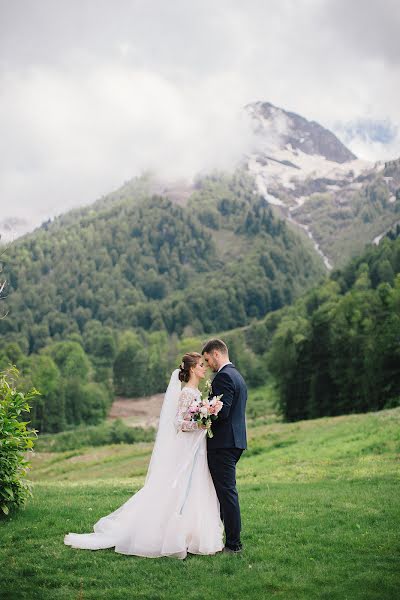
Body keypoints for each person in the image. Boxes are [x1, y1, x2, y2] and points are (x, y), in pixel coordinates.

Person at [64, 352, 224, 559]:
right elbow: (178, 423)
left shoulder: (194, 392)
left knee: (192, 487)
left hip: (195, 447)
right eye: (201, 365)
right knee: (178, 489)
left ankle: (189, 533)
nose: (204, 368)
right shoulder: (187, 393)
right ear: (192, 369)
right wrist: (200, 423)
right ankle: (170, 534)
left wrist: (203, 418)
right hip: (186, 448)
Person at [202, 339, 247, 554]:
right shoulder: (237, 376)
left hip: (222, 444)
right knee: (224, 492)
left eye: (208, 359)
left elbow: (223, 411)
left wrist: (203, 417)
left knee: (227, 493)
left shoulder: (224, 377)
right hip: (234, 442)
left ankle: (233, 544)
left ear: (217, 354)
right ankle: (222, 537)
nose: (208, 364)